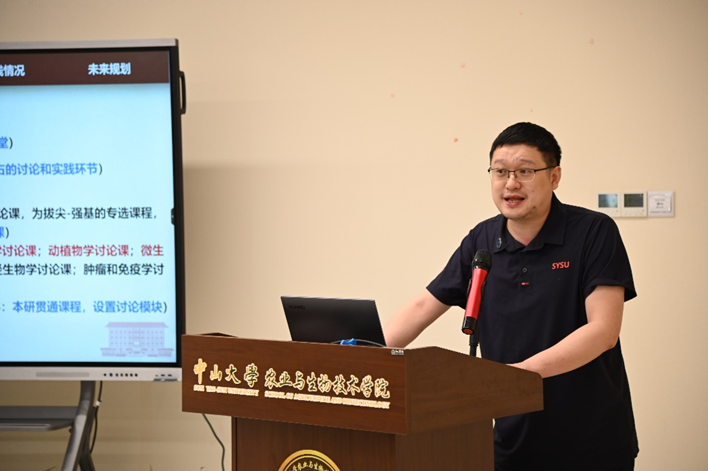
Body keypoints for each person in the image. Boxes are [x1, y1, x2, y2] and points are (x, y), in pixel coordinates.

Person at [383, 122, 638, 471]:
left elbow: (603, 331)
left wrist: (515, 377)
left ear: (555, 176)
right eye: (500, 171)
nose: (511, 183)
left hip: (590, 440)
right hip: (511, 440)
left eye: (525, 171)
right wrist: (363, 354)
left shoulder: (593, 231)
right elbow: (424, 304)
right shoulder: (482, 240)